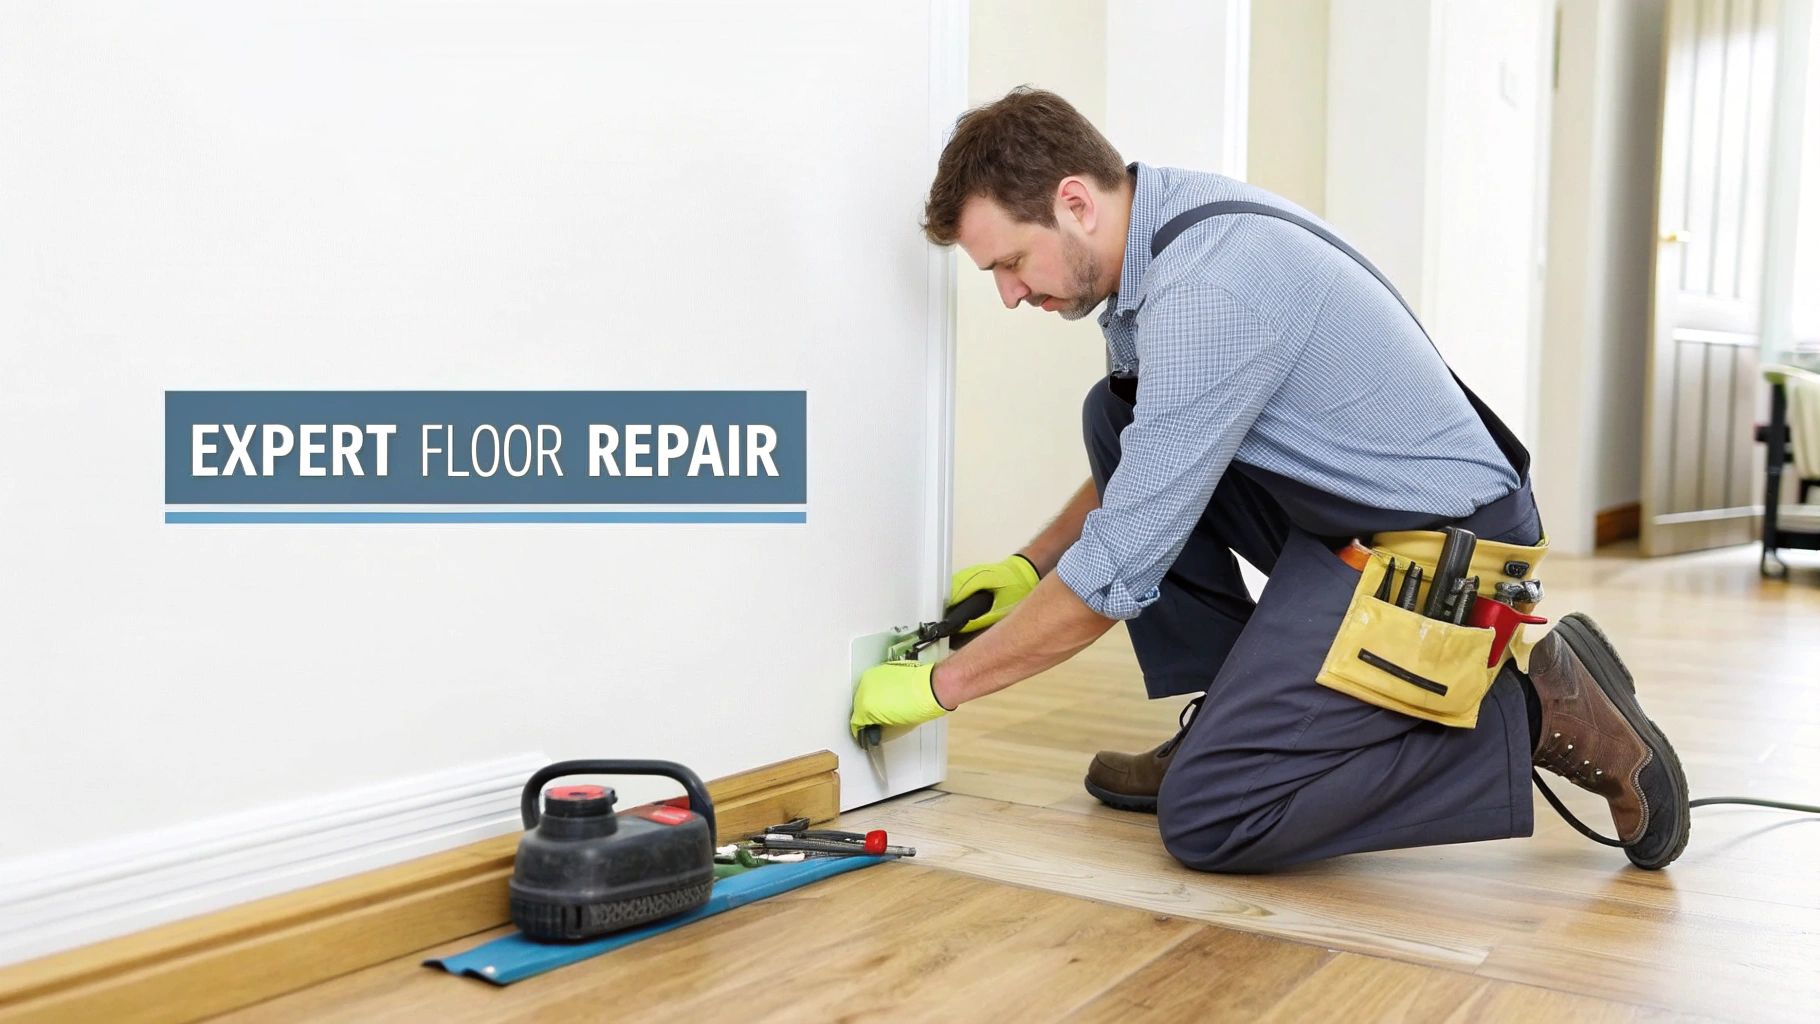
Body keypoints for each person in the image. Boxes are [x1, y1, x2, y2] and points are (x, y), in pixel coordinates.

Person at [848, 87, 1689, 872]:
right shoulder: (1162, 235)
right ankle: (1231, 717)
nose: (1007, 293)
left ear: (1074, 201)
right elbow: (1155, 459)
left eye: (1010, 262)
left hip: (1445, 551)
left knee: (1213, 815)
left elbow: (1118, 568)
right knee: (1114, 415)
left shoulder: (1209, 289)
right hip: (1356, 517)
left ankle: (1542, 710)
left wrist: (940, 687)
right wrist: (1029, 567)